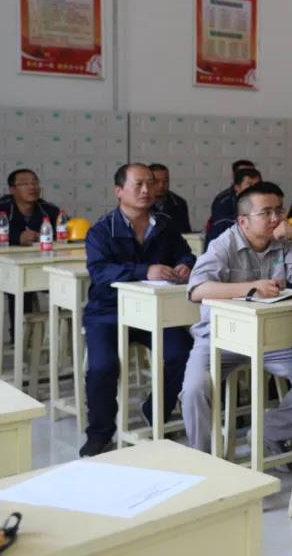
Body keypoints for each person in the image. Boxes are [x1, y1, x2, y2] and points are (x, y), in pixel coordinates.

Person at [181, 182, 292, 455]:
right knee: (195, 389)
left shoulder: (285, 243)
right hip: (219, 338)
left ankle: (268, 430)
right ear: (243, 221)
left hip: (272, 340)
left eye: (279, 210)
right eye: (266, 212)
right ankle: (202, 458)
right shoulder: (224, 244)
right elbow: (197, 290)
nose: (276, 218)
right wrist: (250, 287)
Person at [80, 163, 196, 457]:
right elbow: (100, 272)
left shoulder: (165, 225)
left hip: (152, 312)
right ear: (119, 191)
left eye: (150, 184)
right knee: (103, 366)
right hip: (109, 312)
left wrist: (185, 265)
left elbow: (185, 253)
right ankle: (100, 432)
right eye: (138, 184)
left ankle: (156, 409)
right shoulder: (102, 230)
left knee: (184, 352)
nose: (147, 190)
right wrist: (145, 271)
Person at [0, 168, 60, 248]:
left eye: (35, 183)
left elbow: (64, 234)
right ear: (12, 190)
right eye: (24, 184)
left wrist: (45, 236)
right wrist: (17, 238)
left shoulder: (49, 209)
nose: (32, 187)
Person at [205, 167, 262, 250]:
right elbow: (219, 233)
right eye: (249, 185)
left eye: (257, 185)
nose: (254, 189)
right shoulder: (223, 202)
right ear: (237, 187)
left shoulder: (265, 201)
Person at [149, 163, 192, 235]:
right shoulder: (138, 203)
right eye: (156, 181)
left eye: (165, 181)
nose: (161, 185)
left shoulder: (178, 203)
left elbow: (186, 234)